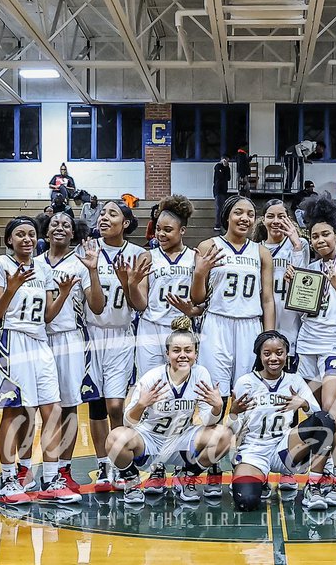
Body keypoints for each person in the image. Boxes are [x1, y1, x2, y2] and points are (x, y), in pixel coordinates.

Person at [191, 195, 276, 494]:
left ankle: (249, 459)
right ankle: (212, 462)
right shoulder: (207, 247)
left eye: (250, 213)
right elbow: (196, 298)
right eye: (238, 212)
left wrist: (270, 338)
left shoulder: (261, 252)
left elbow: (267, 298)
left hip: (250, 325)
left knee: (249, 396)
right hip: (217, 322)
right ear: (227, 216)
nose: (245, 218)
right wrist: (200, 273)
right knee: (214, 395)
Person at [0, 217, 73, 504]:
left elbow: (48, 316)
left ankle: (50, 478)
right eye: (20, 234)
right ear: (9, 239)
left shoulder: (42, 268)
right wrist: (11, 287)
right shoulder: (0, 265)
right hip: (13, 340)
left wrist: (62, 295)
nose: (26, 239)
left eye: (31, 234)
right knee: (13, 411)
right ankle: (8, 478)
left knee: (53, 409)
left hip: (40, 341)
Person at [289, 196, 336, 510]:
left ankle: (333, 479)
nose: (320, 240)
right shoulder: (308, 266)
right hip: (306, 345)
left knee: (332, 411)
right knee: (316, 415)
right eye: (315, 236)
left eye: (325, 235)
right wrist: (294, 286)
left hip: (334, 345)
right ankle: (324, 476)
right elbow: (302, 310)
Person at [107, 318, 229, 504]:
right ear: (167, 354)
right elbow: (128, 424)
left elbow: (207, 421)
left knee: (223, 435)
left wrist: (217, 407)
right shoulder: (152, 378)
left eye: (188, 350)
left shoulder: (201, 374)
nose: (182, 355)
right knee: (115, 437)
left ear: (196, 353)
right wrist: (141, 405)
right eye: (176, 350)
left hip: (181, 441)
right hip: (150, 442)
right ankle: (131, 482)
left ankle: (187, 476)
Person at [228, 332, 336, 511]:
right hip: (254, 451)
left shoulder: (294, 380)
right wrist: (233, 413)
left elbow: (321, 420)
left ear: (286, 354)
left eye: (279, 353)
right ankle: (256, 477)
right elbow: (233, 429)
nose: (274, 358)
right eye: (267, 353)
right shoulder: (245, 382)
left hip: (284, 448)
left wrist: (304, 404)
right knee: (245, 502)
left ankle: (314, 486)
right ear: (259, 355)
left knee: (326, 418)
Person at [36, 211, 104, 496]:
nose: (60, 228)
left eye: (66, 224)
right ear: (46, 230)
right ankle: (31, 468)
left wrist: (93, 271)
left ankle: (64, 468)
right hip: (37, 338)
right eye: (55, 224)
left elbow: (97, 307)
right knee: (35, 407)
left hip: (69, 339)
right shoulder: (35, 263)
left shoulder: (80, 263)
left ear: (73, 233)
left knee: (68, 406)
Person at [86, 201, 146, 491]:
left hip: (122, 333)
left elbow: (139, 304)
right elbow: (92, 306)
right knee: (96, 402)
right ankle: (102, 465)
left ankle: (120, 460)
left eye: (113, 213)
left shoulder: (138, 254)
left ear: (126, 222)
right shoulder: (86, 249)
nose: (104, 218)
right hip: (91, 333)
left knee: (115, 404)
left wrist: (127, 283)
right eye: (102, 213)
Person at [130, 196, 199, 379]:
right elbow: (140, 305)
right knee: (150, 384)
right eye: (158, 229)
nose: (161, 234)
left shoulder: (194, 257)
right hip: (151, 327)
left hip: (181, 329)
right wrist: (132, 284)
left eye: (168, 230)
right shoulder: (147, 256)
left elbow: (202, 302)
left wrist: (192, 310)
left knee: (181, 384)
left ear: (182, 230)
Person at [257, 199, 307, 362]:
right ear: (263, 220)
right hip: (264, 313)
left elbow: (305, 285)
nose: (276, 221)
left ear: (289, 220)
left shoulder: (300, 245)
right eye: (271, 216)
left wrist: (296, 245)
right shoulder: (256, 249)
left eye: (281, 216)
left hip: (291, 315)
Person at [212, 156, 231, 230]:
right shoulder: (218, 166)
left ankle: (222, 224)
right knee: (219, 207)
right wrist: (224, 167)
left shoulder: (227, 168)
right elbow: (220, 176)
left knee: (223, 207)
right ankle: (217, 224)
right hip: (218, 189)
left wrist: (227, 168)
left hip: (224, 189)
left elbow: (228, 178)